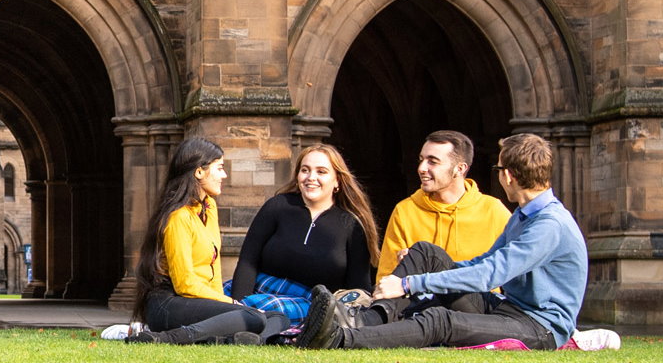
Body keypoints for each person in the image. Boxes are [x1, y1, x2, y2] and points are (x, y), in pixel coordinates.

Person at [298, 133, 588, 350]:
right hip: (505, 308)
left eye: (498, 169)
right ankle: (362, 320)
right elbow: (483, 262)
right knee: (426, 252)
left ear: (509, 176)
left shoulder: (549, 225)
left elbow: (490, 274)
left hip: (538, 327)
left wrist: (412, 283)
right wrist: (422, 273)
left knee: (440, 319)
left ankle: (341, 339)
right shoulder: (524, 214)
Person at [126, 138, 288, 345]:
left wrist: (227, 305)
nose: (224, 175)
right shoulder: (178, 217)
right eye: (219, 168)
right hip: (169, 303)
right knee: (252, 316)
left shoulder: (209, 207)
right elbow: (185, 284)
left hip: (199, 301)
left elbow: (214, 267)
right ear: (199, 172)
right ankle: (169, 338)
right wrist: (232, 303)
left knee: (278, 317)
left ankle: (233, 340)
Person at [227, 144, 379, 325]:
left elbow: (358, 287)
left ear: (337, 181)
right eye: (305, 170)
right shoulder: (278, 206)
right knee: (209, 302)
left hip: (311, 304)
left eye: (321, 172)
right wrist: (238, 304)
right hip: (257, 291)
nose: (311, 178)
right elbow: (248, 261)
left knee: (274, 315)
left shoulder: (351, 225)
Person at [377, 130, 511, 280]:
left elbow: (517, 272)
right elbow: (386, 278)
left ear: (460, 168)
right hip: (422, 302)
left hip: (479, 301)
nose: (421, 168)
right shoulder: (405, 211)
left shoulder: (493, 211)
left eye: (432, 161)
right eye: (421, 160)